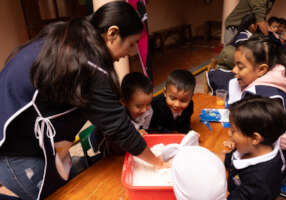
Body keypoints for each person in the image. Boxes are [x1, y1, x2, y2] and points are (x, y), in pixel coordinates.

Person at [0, 2, 165, 200]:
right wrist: (159, 165)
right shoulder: (88, 64)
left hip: (29, 132)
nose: (130, 52)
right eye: (131, 43)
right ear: (112, 33)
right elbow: (118, 126)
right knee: (45, 192)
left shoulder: (76, 37)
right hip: (17, 143)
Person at [227, 35, 286, 183]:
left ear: (261, 69)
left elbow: (280, 140)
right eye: (234, 65)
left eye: (240, 67)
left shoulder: (264, 95)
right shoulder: (268, 83)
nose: (234, 70)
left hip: (277, 163)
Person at [224, 96, 286, 199]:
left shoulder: (259, 183)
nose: (228, 133)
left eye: (233, 130)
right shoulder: (248, 147)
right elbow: (229, 158)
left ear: (255, 138)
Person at [148, 69, 195, 133]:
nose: (177, 104)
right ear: (165, 92)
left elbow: (185, 124)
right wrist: (173, 135)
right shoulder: (155, 106)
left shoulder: (189, 105)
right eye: (173, 98)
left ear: (191, 97)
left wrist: (187, 133)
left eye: (183, 101)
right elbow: (154, 128)